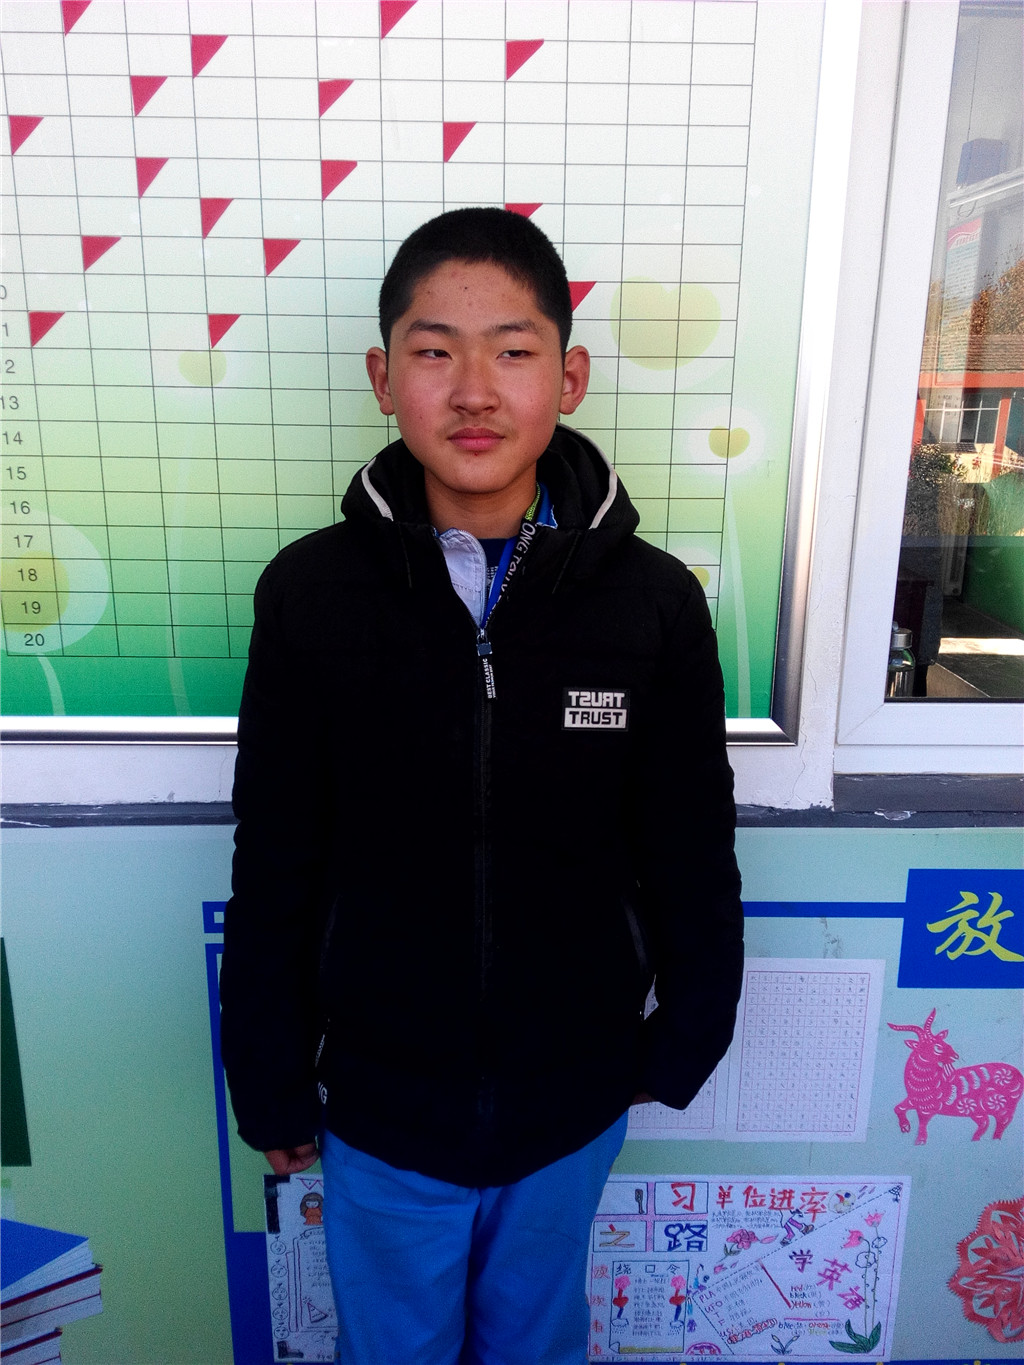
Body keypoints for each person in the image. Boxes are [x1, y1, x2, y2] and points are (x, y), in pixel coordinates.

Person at [219, 206, 743, 1365]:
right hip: (380, 1100)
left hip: (572, 1096)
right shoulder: (310, 595)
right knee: (393, 1349)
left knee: (536, 1342)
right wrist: (268, 1071)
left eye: (511, 351)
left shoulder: (652, 604)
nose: (472, 391)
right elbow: (278, 850)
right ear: (383, 378)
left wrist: (689, 1028)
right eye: (432, 351)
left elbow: (689, 843)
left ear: (569, 377)